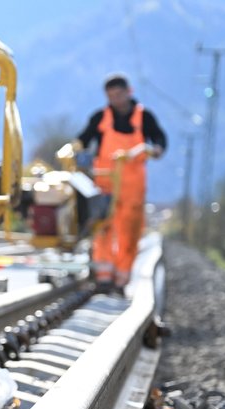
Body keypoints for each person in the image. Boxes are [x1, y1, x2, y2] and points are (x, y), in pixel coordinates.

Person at [73, 74, 167, 290]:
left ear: (128, 92)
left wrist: (156, 149)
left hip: (132, 188)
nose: (115, 99)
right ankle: (104, 277)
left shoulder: (144, 117)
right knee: (103, 229)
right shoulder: (100, 118)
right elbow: (83, 139)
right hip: (105, 184)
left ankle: (122, 279)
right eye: (111, 96)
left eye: (119, 94)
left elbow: (160, 139)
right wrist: (75, 150)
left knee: (129, 233)